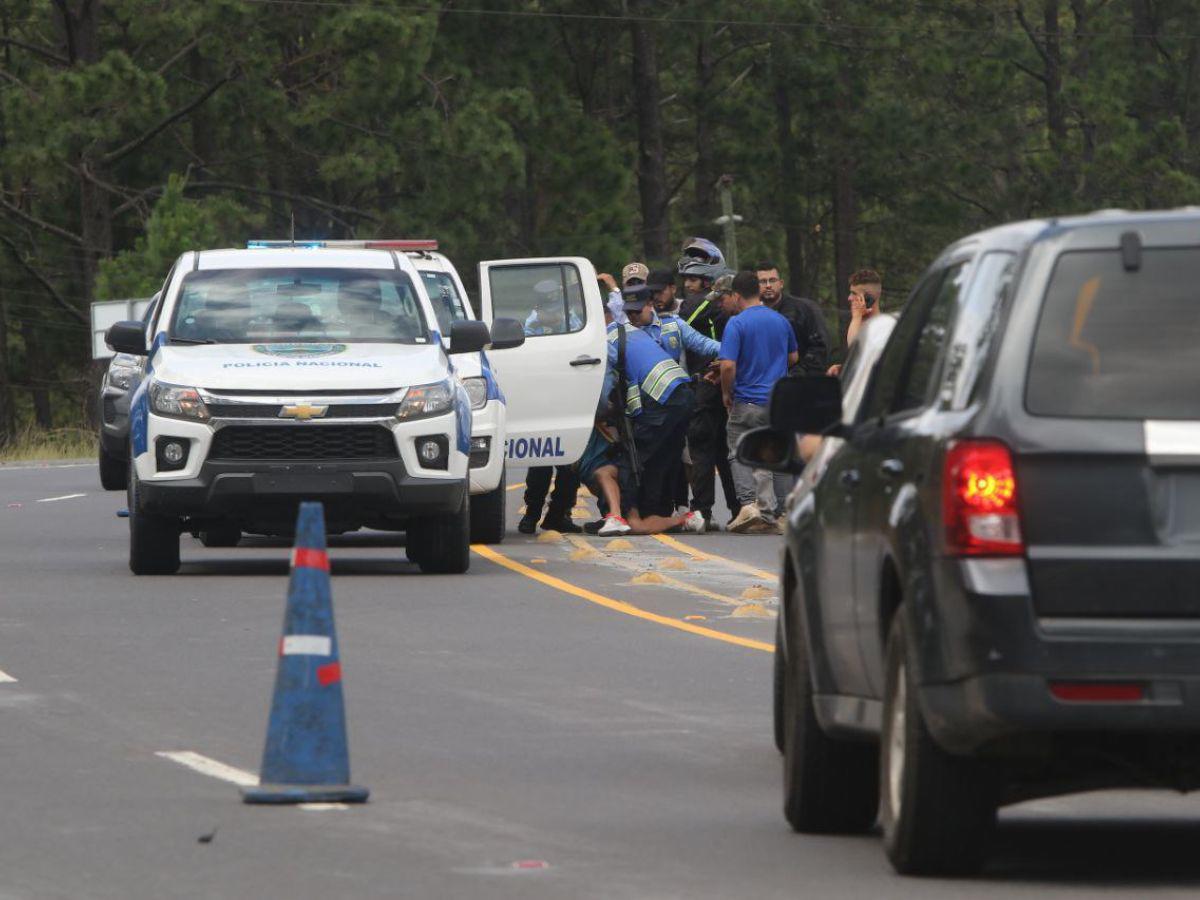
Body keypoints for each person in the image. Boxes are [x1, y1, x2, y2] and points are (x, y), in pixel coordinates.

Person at [607, 285, 704, 528]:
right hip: (682, 394)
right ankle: (659, 511)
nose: (632, 316)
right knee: (663, 457)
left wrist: (602, 414)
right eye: (628, 312)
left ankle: (628, 515)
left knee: (634, 456)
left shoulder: (609, 339)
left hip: (663, 399)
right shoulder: (635, 333)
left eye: (636, 311)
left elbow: (605, 386)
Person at [718, 270, 798, 533]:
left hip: (748, 400)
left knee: (738, 450)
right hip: (779, 402)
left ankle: (749, 505)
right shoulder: (780, 320)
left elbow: (727, 365)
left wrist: (726, 392)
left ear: (736, 295)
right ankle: (784, 513)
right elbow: (794, 357)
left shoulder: (736, 323)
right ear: (759, 291)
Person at [519, 278, 585, 534]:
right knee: (540, 464)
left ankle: (559, 515)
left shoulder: (572, 320)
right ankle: (531, 514)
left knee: (570, 464)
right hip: (542, 402)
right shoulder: (531, 324)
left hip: (568, 400)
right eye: (549, 309)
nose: (554, 314)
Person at [678, 257, 739, 530]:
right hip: (726, 382)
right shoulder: (730, 309)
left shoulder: (699, 304)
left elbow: (682, 325)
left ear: (707, 281)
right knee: (724, 450)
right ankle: (737, 509)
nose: (688, 285)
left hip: (706, 382)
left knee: (702, 447)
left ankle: (702, 511)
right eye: (685, 280)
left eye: (693, 279)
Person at [755, 262, 830, 375]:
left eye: (772, 280)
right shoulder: (751, 315)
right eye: (763, 281)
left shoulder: (804, 309)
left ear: (781, 284)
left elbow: (820, 347)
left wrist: (799, 372)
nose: (768, 285)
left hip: (801, 379)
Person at [829, 268, 883, 375]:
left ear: (868, 299)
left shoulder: (881, 327)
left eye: (854, 293)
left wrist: (856, 317)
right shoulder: (857, 324)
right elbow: (860, 361)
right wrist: (843, 368)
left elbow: (855, 351)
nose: (849, 298)